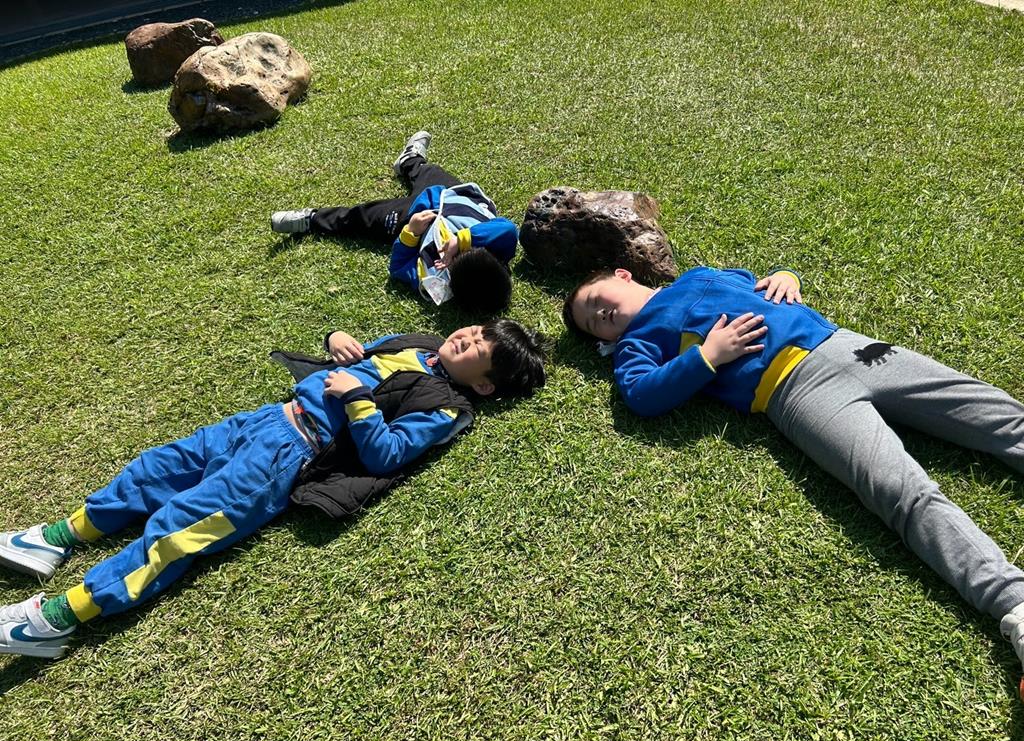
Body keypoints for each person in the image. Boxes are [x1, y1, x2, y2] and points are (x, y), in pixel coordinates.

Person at [564, 265, 1024, 694]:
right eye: (592, 323)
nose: (599, 314)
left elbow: (754, 279)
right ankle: (1014, 604)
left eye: (595, 300)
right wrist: (707, 356)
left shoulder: (699, 274)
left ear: (623, 275)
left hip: (846, 347)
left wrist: (786, 276)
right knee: (900, 490)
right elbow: (641, 394)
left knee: (997, 413)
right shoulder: (637, 341)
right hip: (797, 392)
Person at [0, 321, 546, 659]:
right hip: (265, 419)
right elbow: (357, 357)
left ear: (484, 384)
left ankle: (61, 617)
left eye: (480, 348)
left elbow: (387, 454)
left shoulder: (447, 407)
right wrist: (336, 341)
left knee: (179, 528)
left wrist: (356, 398)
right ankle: (56, 538)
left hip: (288, 456)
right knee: (154, 470)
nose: (468, 337)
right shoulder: (421, 342)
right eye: (476, 330)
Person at [271, 132, 517, 313]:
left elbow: (399, 267)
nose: (453, 253)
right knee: (428, 172)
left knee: (362, 217)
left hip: (413, 218)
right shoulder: (498, 248)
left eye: (454, 259)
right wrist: (462, 241)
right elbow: (508, 229)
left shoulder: (433, 279)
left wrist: (411, 232)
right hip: (450, 196)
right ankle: (409, 160)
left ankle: (312, 219)